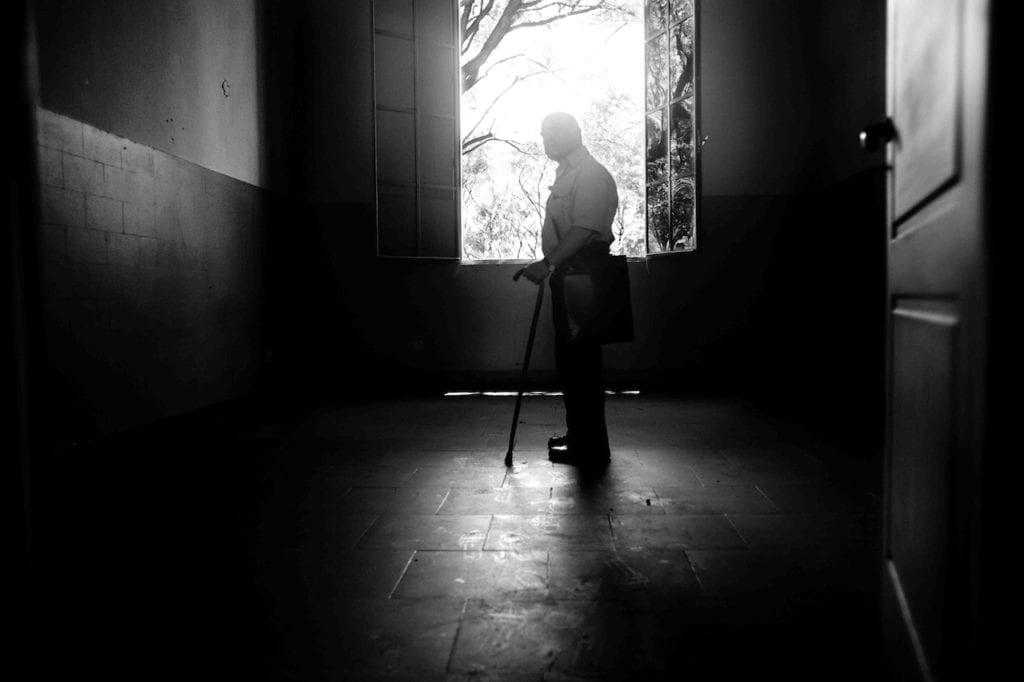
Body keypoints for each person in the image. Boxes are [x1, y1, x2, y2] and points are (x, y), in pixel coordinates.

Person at [522, 111, 618, 468]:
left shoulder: (590, 175)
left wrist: (547, 264)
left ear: (575, 133)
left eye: (553, 133)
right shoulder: (567, 173)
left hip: (585, 275)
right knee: (571, 363)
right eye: (543, 134)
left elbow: (584, 231)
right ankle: (580, 434)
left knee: (582, 364)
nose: (545, 140)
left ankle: (591, 444)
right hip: (570, 274)